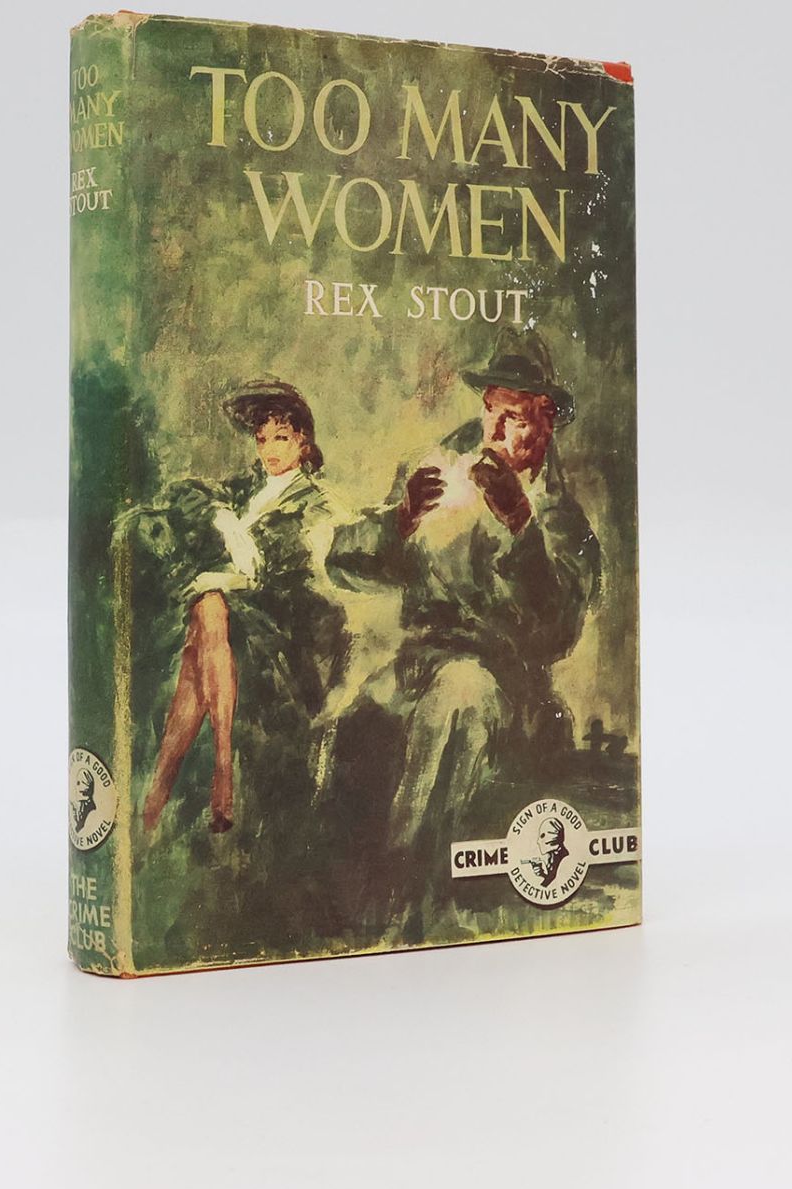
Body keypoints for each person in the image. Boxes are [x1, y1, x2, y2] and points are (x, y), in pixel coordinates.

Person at [325, 331, 600, 880]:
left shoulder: (560, 520)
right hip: (419, 662)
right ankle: (330, 888)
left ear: (546, 421)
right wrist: (400, 521)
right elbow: (342, 561)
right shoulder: (442, 469)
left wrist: (521, 526)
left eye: (514, 418)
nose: (494, 430)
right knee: (359, 722)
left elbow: (559, 630)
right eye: (491, 410)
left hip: (504, 680)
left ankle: (408, 880)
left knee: (456, 701)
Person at [138, 380, 347, 834]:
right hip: (226, 624)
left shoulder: (317, 503)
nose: (270, 449)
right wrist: (223, 516)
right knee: (205, 621)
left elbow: (286, 575)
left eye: (281, 438)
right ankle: (194, 780)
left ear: (304, 442)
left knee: (208, 608)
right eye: (262, 438)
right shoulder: (244, 489)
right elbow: (183, 494)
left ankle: (190, 778)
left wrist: (222, 578)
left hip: (279, 626)